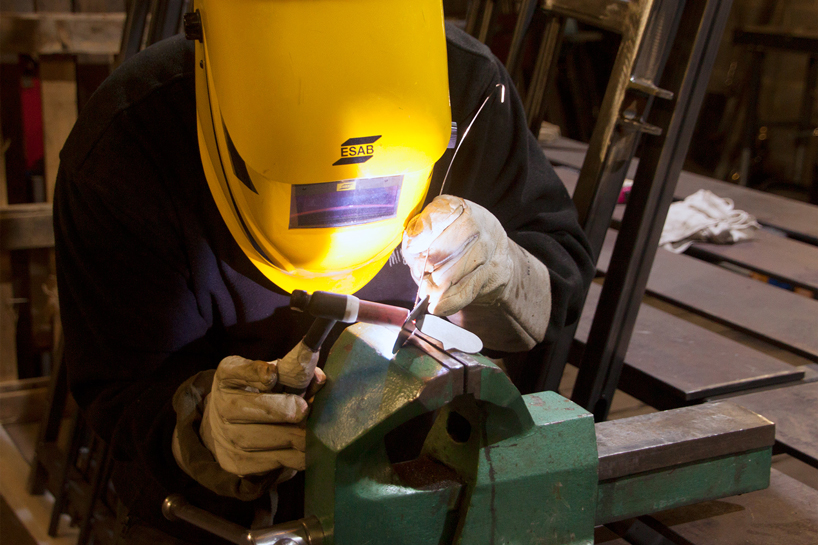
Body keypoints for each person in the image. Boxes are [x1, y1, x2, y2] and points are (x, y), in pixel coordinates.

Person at [53, 1, 594, 543]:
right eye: (306, 193)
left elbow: (560, 278)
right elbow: (117, 384)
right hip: (210, 517)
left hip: (420, 483)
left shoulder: (468, 88)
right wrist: (197, 427)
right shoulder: (128, 145)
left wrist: (506, 271)